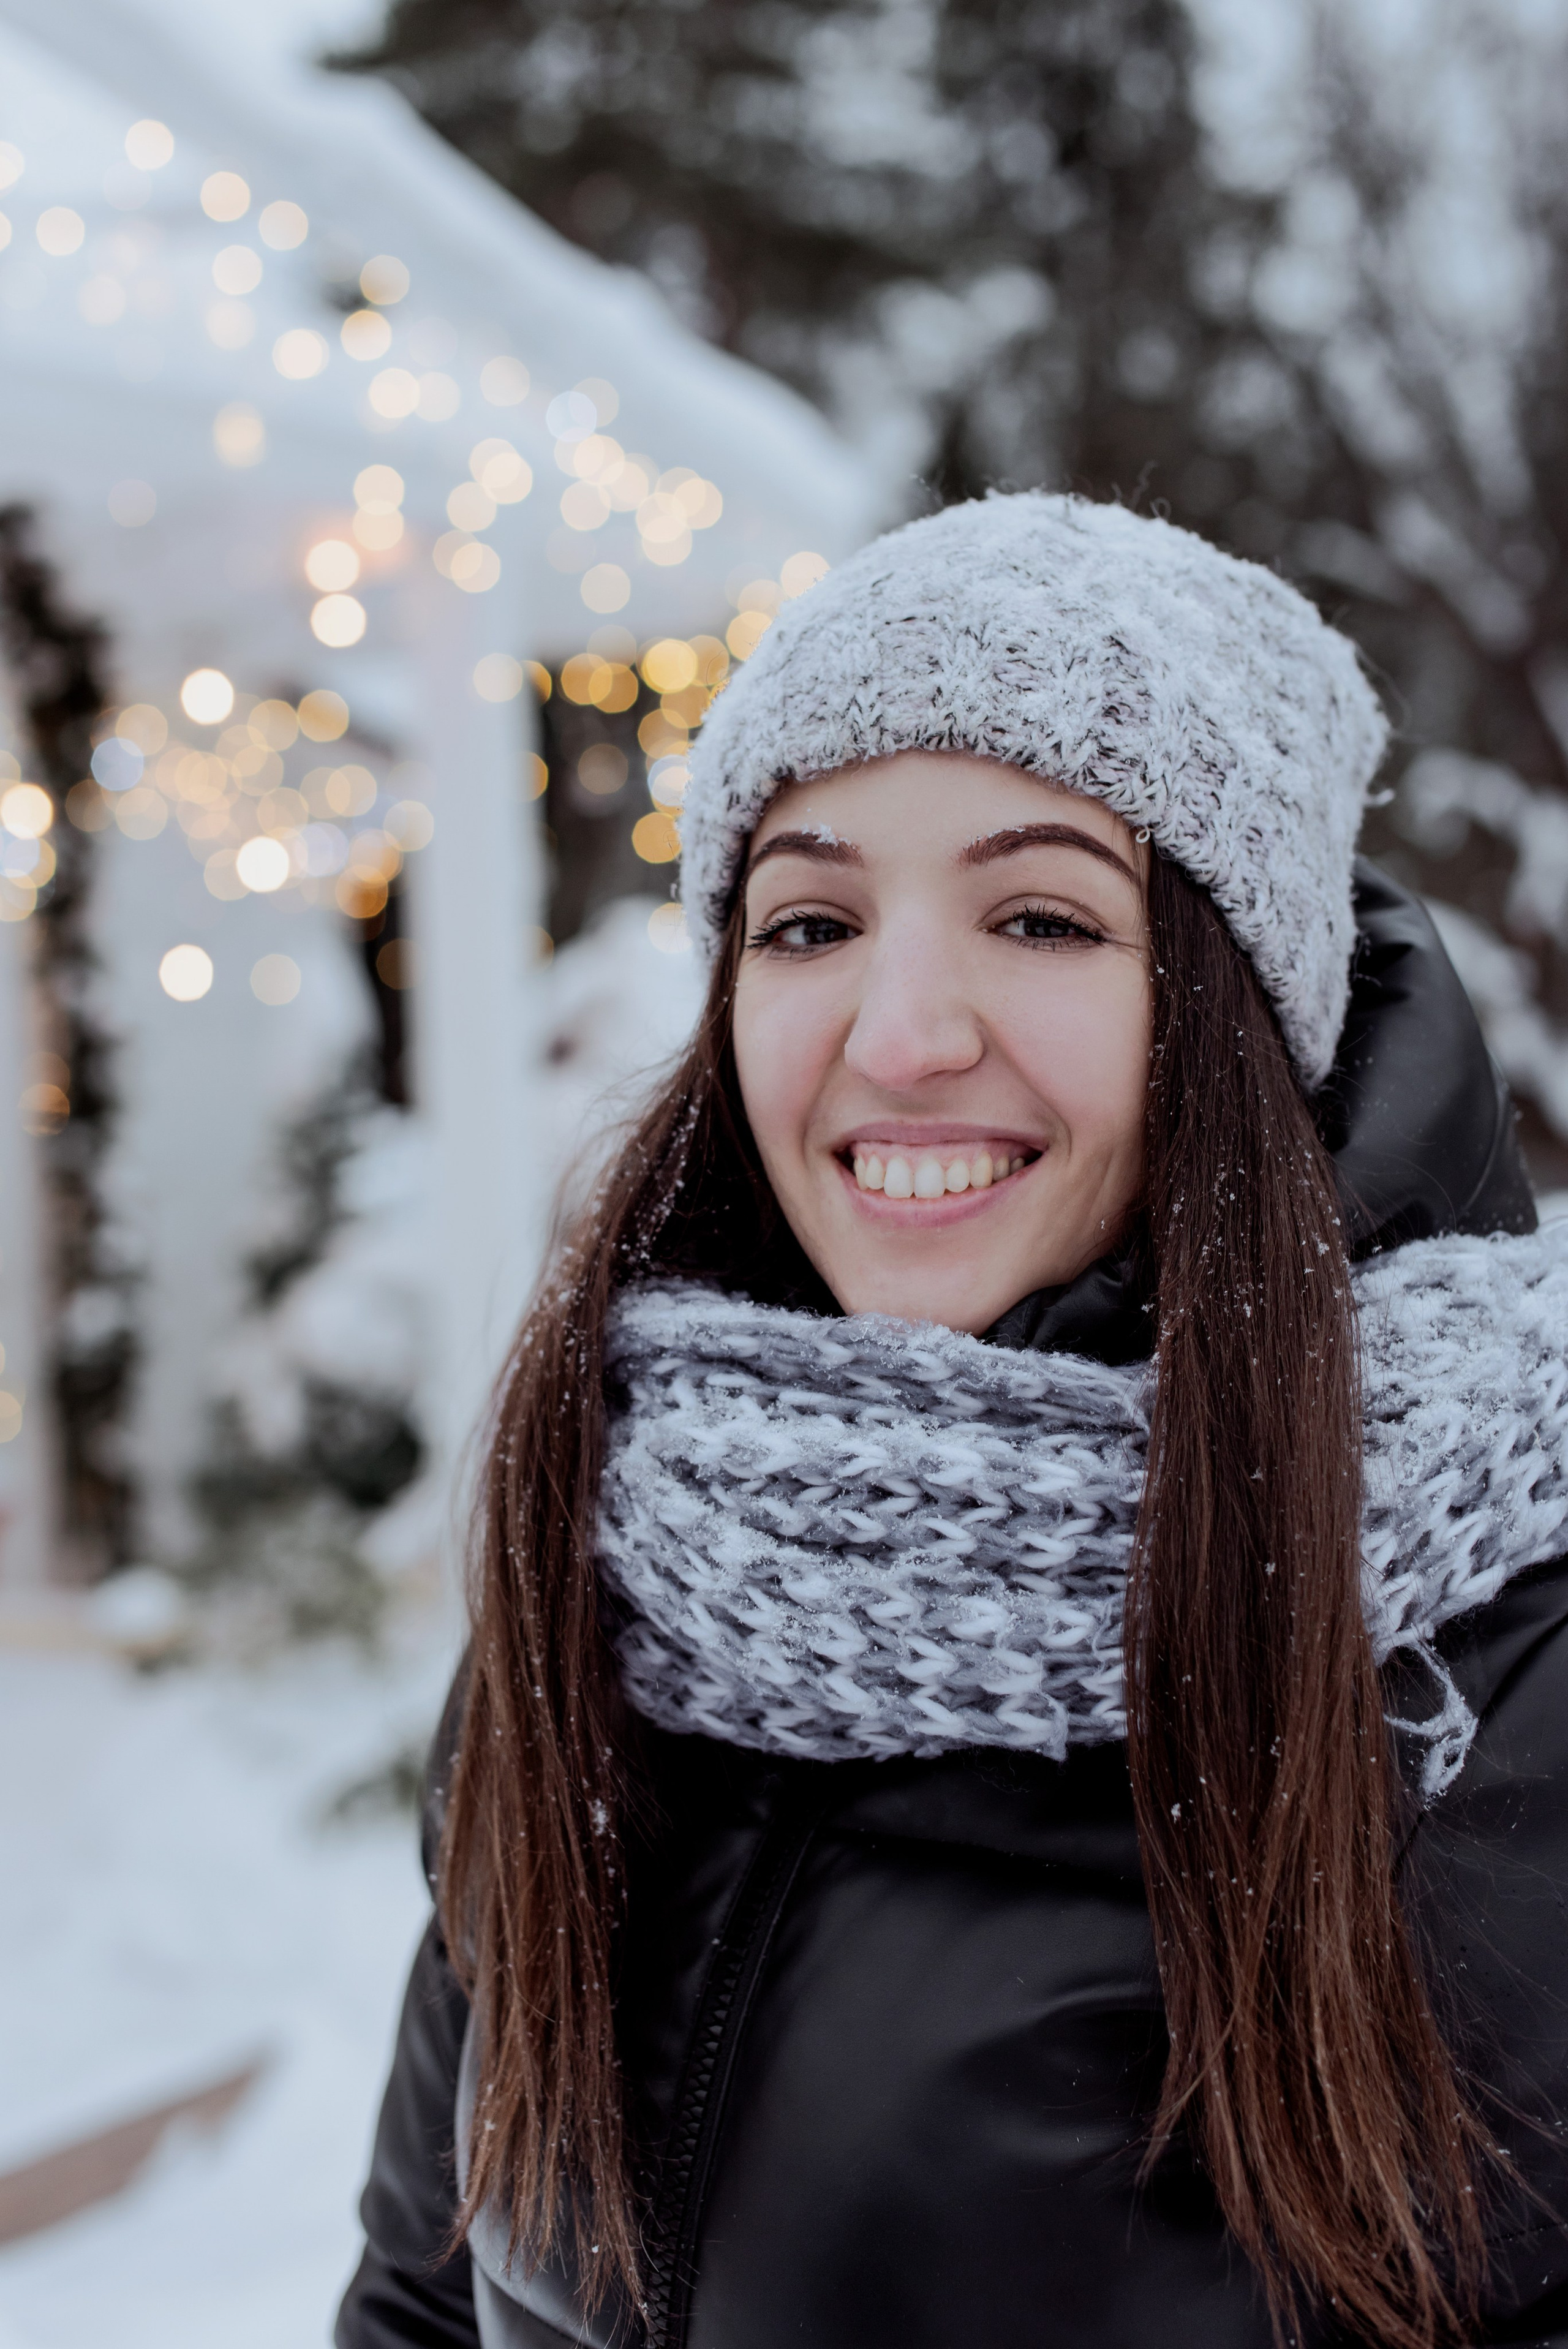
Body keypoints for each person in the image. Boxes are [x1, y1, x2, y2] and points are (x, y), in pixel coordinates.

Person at [337, 496, 1568, 2349]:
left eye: (1043, 916)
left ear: (1240, 1008)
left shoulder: (1511, 1677)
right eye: (811, 921)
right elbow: (425, 2298)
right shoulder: (617, 1560)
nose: (899, 1034)